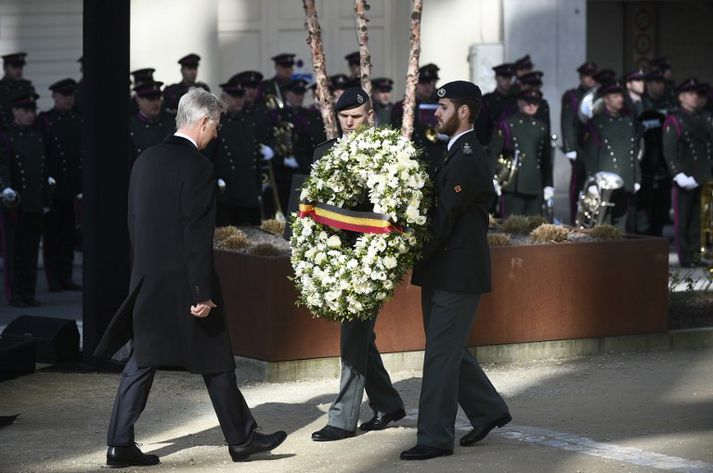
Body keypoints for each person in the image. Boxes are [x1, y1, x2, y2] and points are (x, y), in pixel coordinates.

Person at [93, 88, 287, 467]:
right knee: (216, 357)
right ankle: (242, 440)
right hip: (187, 283)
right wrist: (202, 291)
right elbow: (196, 235)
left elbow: (134, 224)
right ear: (202, 122)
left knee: (143, 361)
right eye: (215, 126)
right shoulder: (197, 167)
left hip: (148, 280)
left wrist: (143, 273)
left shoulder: (145, 159)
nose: (216, 134)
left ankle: (119, 443)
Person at [405, 80, 510, 461]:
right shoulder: (454, 152)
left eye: (444, 107)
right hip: (443, 267)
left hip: (457, 270)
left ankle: (434, 437)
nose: (437, 112)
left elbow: (445, 216)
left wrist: (407, 249)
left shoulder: (467, 156)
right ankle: (488, 410)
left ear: (463, 112)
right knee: (446, 349)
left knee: (440, 356)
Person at [310, 87, 406, 442]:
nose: (349, 124)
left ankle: (342, 419)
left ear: (370, 116)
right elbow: (307, 205)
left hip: (369, 261)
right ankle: (388, 403)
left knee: (352, 338)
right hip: (333, 257)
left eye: (356, 117)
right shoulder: (323, 152)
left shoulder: (386, 155)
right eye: (344, 117)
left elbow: (393, 205)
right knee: (360, 338)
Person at [0, 87, 47, 307]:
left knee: (30, 251)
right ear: (15, 111)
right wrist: (6, 188)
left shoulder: (37, 137)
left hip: (34, 201)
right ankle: (15, 293)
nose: (30, 114)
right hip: (14, 203)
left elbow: (43, 169)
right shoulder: (6, 137)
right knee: (14, 251)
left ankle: (28, 291)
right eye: (25, 110)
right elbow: (3, 166)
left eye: (32, 110)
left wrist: (46, 196)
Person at [37, 78, 83, 292]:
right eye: (63, 95)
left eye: (70, 95)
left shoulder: (79, 119)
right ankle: (53, 278)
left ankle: (66, 276)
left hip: (73, 186)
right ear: (54, 96)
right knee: (52, 235)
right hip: (54, 186)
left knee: (69, 235)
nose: (67, 99)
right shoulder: (46, 120)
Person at [662, 77, 713, 267]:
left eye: (697, 94)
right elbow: (669, 150)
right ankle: (685, 257)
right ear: (681, 97)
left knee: (699, 219)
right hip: (685, 175)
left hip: (703, 175)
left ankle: (696, 255)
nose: (695, 98)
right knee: (682, 219)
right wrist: (677, 174)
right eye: (690, 94)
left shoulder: (704, 118)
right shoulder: (674, 120)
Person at [582, 81, 643, 231]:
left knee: (621, 225)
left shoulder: (628, 122)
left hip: (625, 180)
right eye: (615, 96)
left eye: (621, 96)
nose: (620, 99)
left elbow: (633, 152)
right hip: (605, 183)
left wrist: (636, 177)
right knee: (604, 225)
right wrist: (592, 182)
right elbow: (590, 155)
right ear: (606, 98)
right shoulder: (597, 122)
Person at [489, 89, 553, 217]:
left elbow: (546, 159)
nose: (532, 105)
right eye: (528, 101)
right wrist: (493, 178)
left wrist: (548, 185)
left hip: (535, 184)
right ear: (519, 102)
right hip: (513, 184)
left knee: (534, 230)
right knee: (510, 228)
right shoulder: (507, 124)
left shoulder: (542, 127)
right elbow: (493, 152)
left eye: (536, 103)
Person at [211, 78, 265, 226]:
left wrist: (258, 187)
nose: (238, 100)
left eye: (240, 96)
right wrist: (216, 179)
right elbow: (209, 155)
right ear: (223, 98)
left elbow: (255, 158)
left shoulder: (249, 122)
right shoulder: (216, 123)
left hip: (249, 190)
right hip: (227, 193)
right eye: (234, 96)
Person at [392, 63, 446, 179]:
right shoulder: (402, 106)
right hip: (413, 160)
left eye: (431, 83)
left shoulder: (441, 104)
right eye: (423, 83)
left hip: (437, 157)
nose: (428, 87)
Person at [561, 61, 597, 224]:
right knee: (578, 184)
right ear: (581, 77)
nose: (591, 80)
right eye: (588, 76)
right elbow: (567, 122)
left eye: (593, 76)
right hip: (579, 148)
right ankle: (576, 219)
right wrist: (570, 147)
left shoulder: (598, 95)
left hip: (595, 148)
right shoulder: (572, 96)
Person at [128, 80, 174, 166]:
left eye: (158, 98)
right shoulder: (131, 126)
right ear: (138, 100)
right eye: (151, 99)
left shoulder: (170, 124)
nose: (156, 103)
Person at [475, 63, 516, 146]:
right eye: (504, 78)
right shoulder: (487, 100)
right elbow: (481, 128)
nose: (508, 81)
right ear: (497, 78)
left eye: (510, 78)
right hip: (493, 146)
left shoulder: (515, 100)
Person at [0, 53, 32, 130]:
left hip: (24, 133)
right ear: (5, 68)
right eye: (14, 67)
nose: (18, 71)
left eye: (20, 67)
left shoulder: (27, 87)